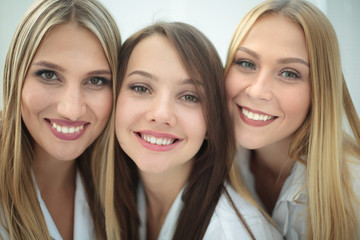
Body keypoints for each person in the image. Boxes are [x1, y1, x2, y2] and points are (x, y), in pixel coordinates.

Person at [113, 21, 282, 240]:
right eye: (141, 88)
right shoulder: (115, 201)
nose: (162, 114)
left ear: (212, 123)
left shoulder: (233, 233)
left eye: (189, 97)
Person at [224, 0, 360, 239]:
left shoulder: (354, 189)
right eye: (246, 63)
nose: (257, 91)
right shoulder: (207, 160)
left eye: (289, 73)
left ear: (320, 90)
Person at [0, 0, 121, 239]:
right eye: (49, 75)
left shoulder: (122, 188)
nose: (72, 110)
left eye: (95, 80)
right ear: (15, 76)